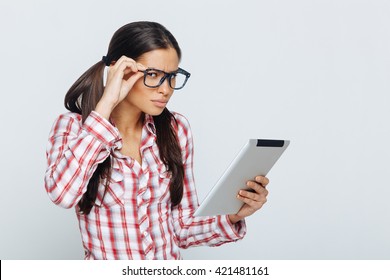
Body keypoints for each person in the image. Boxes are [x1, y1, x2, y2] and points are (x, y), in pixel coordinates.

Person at [44, 21, 269, 260]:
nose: (166, 89)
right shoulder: (74, 128)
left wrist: (233, 216)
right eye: (153, 75)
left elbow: (181, 228)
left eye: (172, 76)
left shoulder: (176, 129)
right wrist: (106, 105)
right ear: (120, 70)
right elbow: (62, 194)